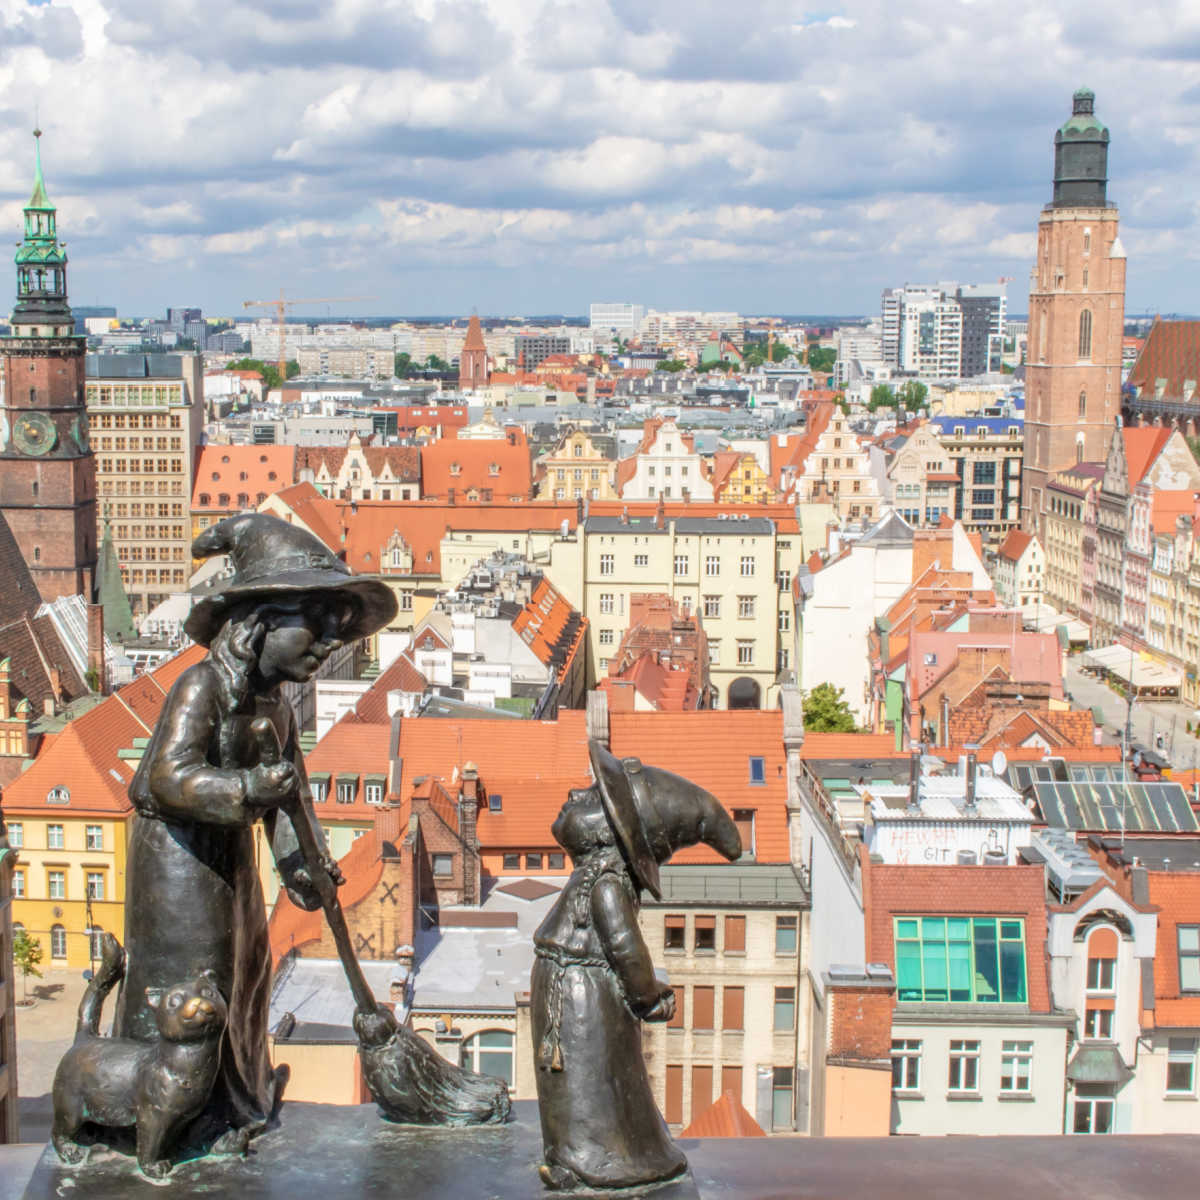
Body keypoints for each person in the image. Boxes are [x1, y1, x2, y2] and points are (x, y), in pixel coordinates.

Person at [114, 513, 396, 1152]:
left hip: (227, 855)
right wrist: (244, 791)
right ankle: (178, 1115)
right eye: (317, 628)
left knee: (248, 968)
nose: (330, 643)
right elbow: (163, 779)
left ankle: (235, 1098)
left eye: (337, 630)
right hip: (178, 862)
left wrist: (303, 865)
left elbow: (289, 800)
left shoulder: (274, 706)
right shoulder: (202, 688)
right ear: (259, 624)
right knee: (197, 974)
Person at [531, 740, 741, 1192]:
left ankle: (601, 1158)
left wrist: (649, 997)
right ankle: (570, 1152)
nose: (576, 793)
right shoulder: (597, 878)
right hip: (569, 988)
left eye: (593, 798)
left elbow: (627, 948)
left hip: (584, 995)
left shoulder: (606, 884)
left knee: (592, 1077)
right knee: (573, 1080)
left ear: (612, 833)